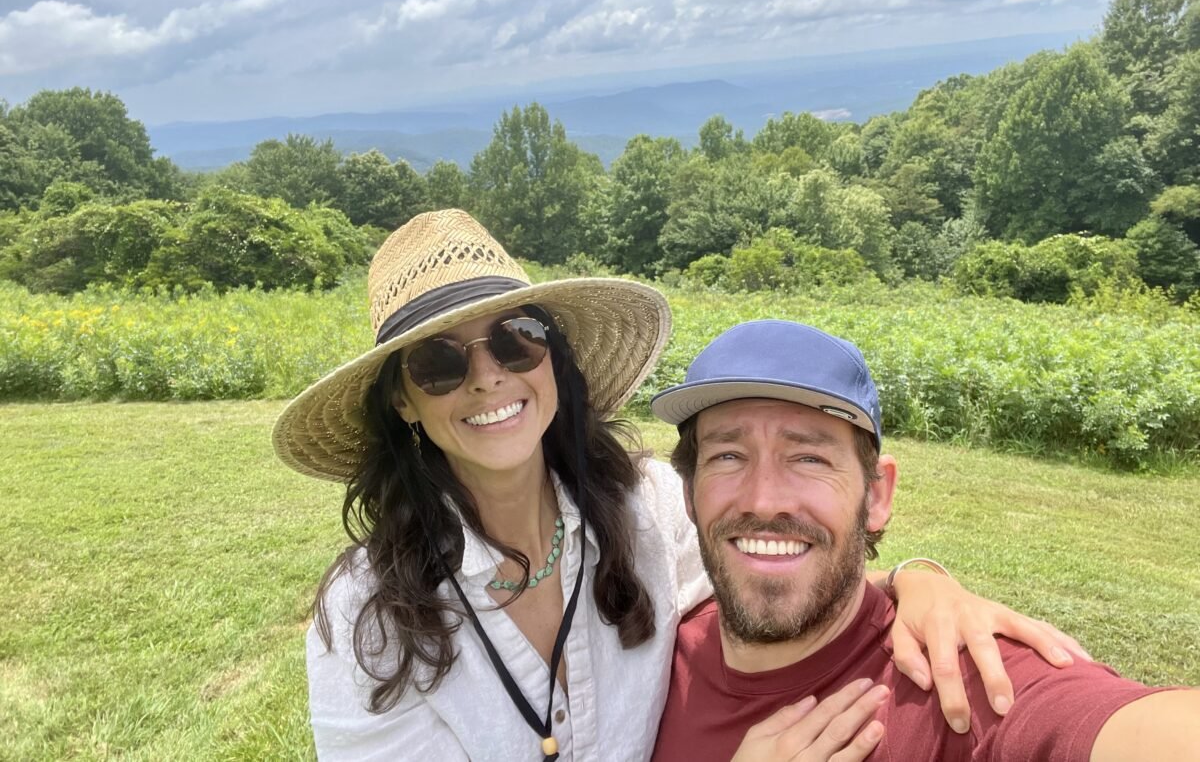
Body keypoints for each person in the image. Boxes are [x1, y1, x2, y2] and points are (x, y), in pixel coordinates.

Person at [273, 210, 1088, 762]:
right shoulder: (367, 617)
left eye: (517, 339)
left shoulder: (646, 507)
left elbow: (771, 565)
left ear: (554, 356)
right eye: (439, 362)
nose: (487, 379)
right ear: (405, 403)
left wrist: (917, 583)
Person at [650, 319, 1200, 762]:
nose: (764, 500)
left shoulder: (963, 684)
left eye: (809, 457)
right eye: (727, 455)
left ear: (877, 495)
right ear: (691, 489)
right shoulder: (649, 654)